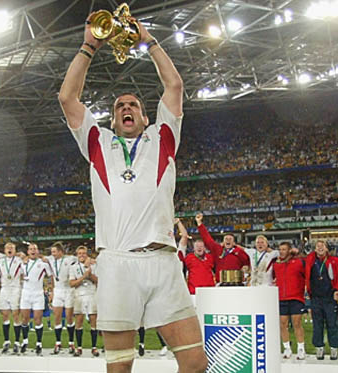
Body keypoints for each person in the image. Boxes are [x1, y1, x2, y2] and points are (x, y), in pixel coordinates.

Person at [58, 11, 206, 373]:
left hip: (162, 261)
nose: (127, 108)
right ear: (112, 120)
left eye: (134, 105)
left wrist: (149, 41)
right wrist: (89, 45)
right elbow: (67, 98)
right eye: (120, 106)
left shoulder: (163, 136)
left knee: (195, 363)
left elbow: (174, 86)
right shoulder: (98, 141)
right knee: (120, 369)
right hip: (117, 263)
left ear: (145, 117)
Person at [304, 240, 338, 360]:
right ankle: (319, 347)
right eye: (317, 246)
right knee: (317, 324)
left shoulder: (333, 260)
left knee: (332, 324)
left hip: (330, 298)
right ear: (314, 249)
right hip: (316, 298)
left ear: (326, 249)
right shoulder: (310, 260)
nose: (320, 248)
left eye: (322, 246)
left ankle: (334, 348)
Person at [272, 242, 307, 360]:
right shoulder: (276, 264)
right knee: (282, 324)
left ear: (290, 250)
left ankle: (301, 348)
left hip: (296, 297)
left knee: (297, 323)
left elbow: (308, 263)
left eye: (284, 249)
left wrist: (299, 254)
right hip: (281, 297)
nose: (281, 251)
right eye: (280, 249)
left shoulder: (299, 262)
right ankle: (287, 348)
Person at [20, 243, 53, 355]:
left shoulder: (43, 263)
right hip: (25, 293)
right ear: (28, 252)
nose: (32, 251)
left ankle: (39, 343)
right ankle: (25, 341)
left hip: (38, 293)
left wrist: (51, 290)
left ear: (38, 251)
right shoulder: (23, 263)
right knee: (25, 319)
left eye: (35, 249)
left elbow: (51, 276)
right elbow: (19, 275)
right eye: (30, 249)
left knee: (38, 319)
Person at [195, 213, 250, 283]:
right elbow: (207, 239)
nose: (228, 240)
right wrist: (199, 223)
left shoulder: (239, 251)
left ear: (234, 243)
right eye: (226, 239)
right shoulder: (218, 249)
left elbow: (248, 263)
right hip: (220, 282)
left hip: (236, 283)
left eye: (230, 239)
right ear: (223, 242)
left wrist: (246, 269)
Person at [69, 245, 100, 357]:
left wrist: (89, 273)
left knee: (93, 321)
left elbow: (98, 280)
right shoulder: (73, 267)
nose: (82, 255)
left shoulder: (94, 265)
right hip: (79, 295)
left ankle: (94, 347)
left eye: (84, 253)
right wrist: (84, 277)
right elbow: (72, 283)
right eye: (79, 253)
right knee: (79, 321)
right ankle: (79, 348)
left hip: (92, 294)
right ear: (77, 255)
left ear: (87, 254)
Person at [48, 241, 78, 355]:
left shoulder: (70, 259)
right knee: (57, 317)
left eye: (54, 252)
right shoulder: (51, 260)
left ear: (60, 252)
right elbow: (41, 258)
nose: (53, 254)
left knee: (69, 317)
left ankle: (71, 343)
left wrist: (90, 260)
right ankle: (58, 343)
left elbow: (82, 259)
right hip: (58, 291)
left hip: (68, 290)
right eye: (52, 252)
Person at [0, 242, 24, 354]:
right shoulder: (0, 260)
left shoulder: (20, 260)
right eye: (8, 248)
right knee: (5, 315)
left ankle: (17, 342)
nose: (9, 249)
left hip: (15, 288)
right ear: (4, 250)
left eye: (12, 248)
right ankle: (6, 341)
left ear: (15, 250)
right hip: (4, 289)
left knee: (16, 315)